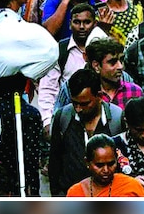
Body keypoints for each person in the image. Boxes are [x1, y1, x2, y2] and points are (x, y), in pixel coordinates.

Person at [47, 68, 125, 196]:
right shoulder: (63, 118)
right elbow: (55, 163)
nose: (78, 109)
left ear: (99, 96)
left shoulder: (117, 119)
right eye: (75, 103)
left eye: (84, 104)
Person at [66, 133, 144, 198]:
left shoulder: (131, 186)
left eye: (111, 164)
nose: (106, 170)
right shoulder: (75, 192)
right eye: (99, 165)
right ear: (87, 162)